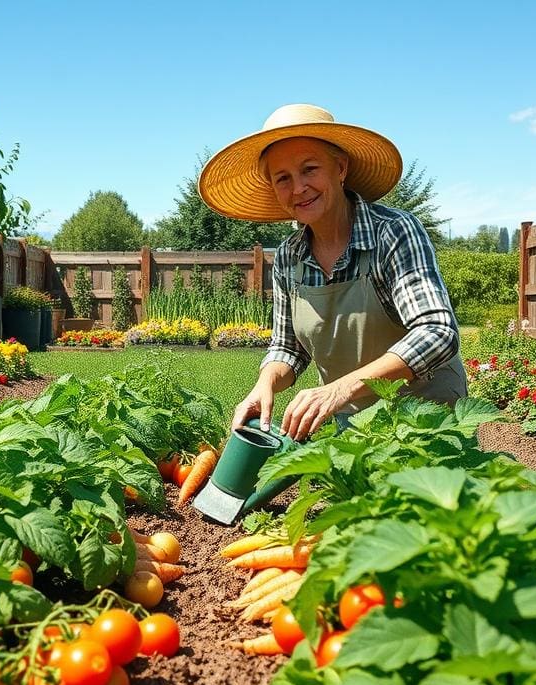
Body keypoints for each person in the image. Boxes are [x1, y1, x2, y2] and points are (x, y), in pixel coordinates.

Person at [199, 104, 467, 441]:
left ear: (340, 168)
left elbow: (437, 332)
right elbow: (288, 349)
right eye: (283, 178)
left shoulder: (393, 232)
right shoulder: (288, 256)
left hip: (425, 419)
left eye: (309, 169)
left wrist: (337, 390)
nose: (298, 188)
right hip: (354, 429)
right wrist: (263, 385)